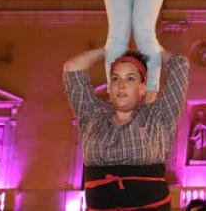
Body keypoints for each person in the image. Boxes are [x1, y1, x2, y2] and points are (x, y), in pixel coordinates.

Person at [64, 48, 190, 211]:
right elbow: (72, 67)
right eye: (115, 79)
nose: (121, 85)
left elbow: (180, 65)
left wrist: (153, 47)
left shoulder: (158, 116)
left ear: (142, 88)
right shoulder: (92, 115)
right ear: (110, 88)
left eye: (130, 78)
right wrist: (108, 49)